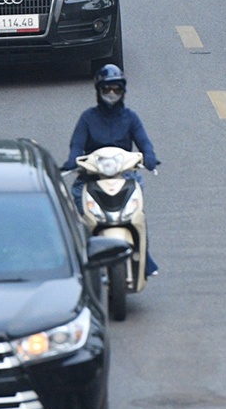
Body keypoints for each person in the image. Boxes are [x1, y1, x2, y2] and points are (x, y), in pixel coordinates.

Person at [65, 65, 159, 276]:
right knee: (75, 209)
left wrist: (150, 157)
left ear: (123, 91)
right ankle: (76, 256)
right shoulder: (87, 118)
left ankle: (145, 258)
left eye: (116, 89)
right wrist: (72, 160)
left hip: (125, 176)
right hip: (91, 178)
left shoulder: (131, 118)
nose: (111, 94)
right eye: (107, 89)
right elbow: (77, 145)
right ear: (99, 91)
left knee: (137, 216)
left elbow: (145, 143)